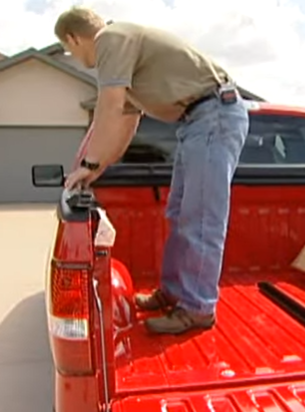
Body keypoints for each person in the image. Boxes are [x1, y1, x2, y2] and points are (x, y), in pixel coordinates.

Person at [55, 6, 249, 335]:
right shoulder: (126, 53)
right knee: (180, 213)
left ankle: (198, 308)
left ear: (74, 38)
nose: (73, 56)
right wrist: (96, 168)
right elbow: (125, 123)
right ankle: (175, 293)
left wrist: (88, 162)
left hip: (213, 116)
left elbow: (109, 107)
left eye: (69, 49)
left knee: (201, 218)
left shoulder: (111, 40)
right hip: (197, 121)